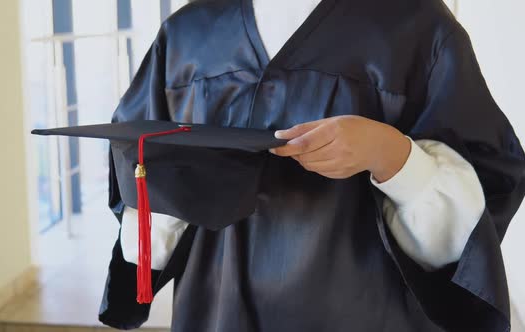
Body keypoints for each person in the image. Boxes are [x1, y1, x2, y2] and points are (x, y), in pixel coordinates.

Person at [99, 0, 525, 331]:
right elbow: (139, 167)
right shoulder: (187, 32)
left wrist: (392, 154)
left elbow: (488, 180)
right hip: (217, 304)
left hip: (364, 310)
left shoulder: (416, 26)